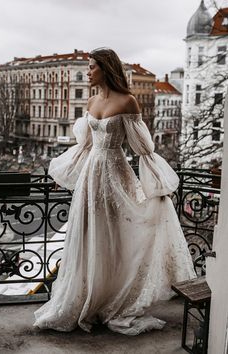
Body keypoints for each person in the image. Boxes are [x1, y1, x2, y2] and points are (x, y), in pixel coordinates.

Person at [34, 48, 196, 335]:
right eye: (87, 66)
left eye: (92, 66)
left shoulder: (128, 101)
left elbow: (143, 149)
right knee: (88, 234)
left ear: (106, 68)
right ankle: (87, 297)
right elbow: (85, 145)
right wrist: (67, 171)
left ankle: (111, 298)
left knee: (116, 235)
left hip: (115, 173)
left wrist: (156, 184)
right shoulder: (93, 100)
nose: (88, 71)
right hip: (90, 177)